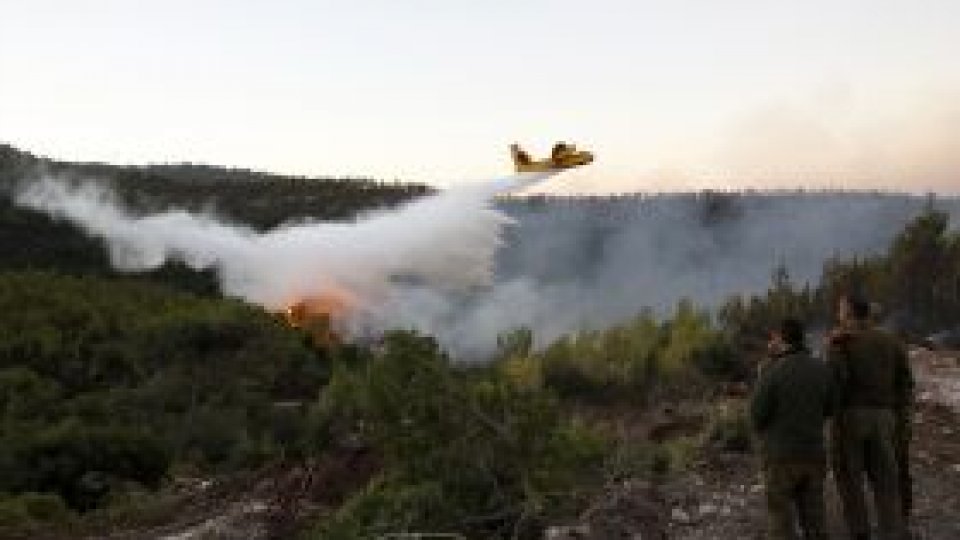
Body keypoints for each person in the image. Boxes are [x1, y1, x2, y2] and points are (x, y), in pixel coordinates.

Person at [828, 295, 913, 540]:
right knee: (886, 478)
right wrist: (900, 418)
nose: (838, 314)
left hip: (851, 417)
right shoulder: (891, 341)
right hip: (886, 417)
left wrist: (834, 350)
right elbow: (906, 383)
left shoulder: (841, 342)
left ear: (850, 312)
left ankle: (860, 531)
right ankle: (891, 530)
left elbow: (838, 381)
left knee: (849, 477)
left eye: (840, 309)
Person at [751, 318, 833, 540]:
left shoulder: (771, 371)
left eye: (774, 337)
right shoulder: (821, 369)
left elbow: (757, 416)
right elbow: (830, 407)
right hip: (814, 453)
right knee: (815, 517)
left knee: (781, 520)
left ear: (781, 339)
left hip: (781, 457)